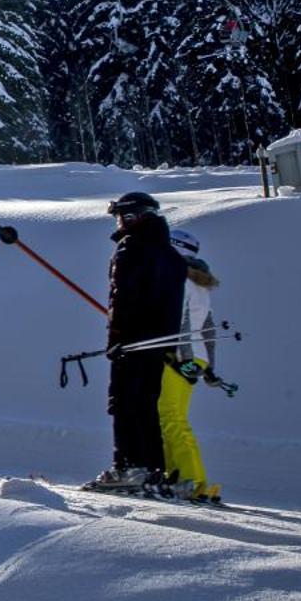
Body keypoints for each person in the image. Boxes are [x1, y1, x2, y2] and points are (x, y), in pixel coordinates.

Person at [92, 191, 187, 493]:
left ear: (133, 216)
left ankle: (129, 467)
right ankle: (152, 468)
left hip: (132, 343)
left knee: (124, 404)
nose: (118, 222)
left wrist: (116, 337)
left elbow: (124, 298)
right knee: (146, 405)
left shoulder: (130, 248)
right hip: (159, 343)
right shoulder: (171, 254)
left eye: (120, 216)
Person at [156, 229, 219, 501]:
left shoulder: (180, 280)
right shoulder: (199, 284)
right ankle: (179, 476)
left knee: (171, 418)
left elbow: (180, 321)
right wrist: (209, 368)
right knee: (169, 417)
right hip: (195, 355)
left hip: (181, 356)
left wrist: (180, 358)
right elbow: (208, 328)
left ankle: (191, 481)